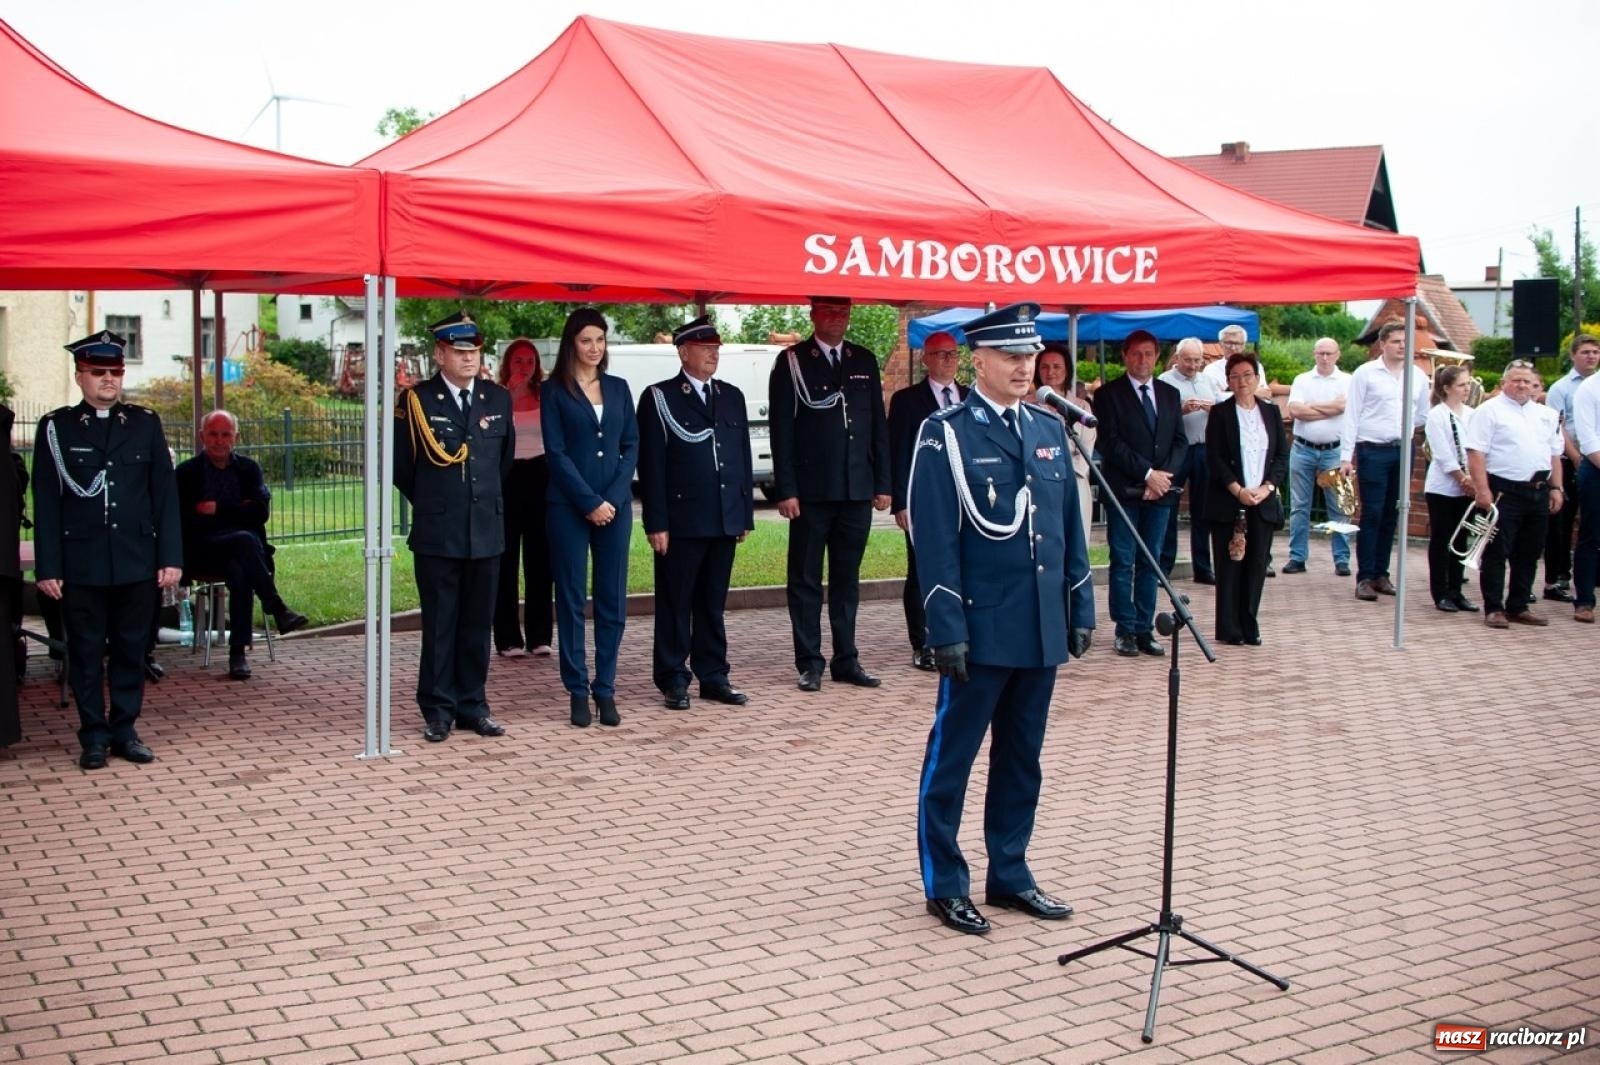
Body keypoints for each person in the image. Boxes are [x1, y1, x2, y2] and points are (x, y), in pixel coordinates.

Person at [907, 303, 1093, 936]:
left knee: (1022, 759)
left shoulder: (1047, 428)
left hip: (1039, 625)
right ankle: (945, 882)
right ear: (977, 361)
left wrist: (1080, 605)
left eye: (1028, 355)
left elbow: (1069, 527)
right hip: (980, 627)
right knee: (952, 759)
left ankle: (1009, 873)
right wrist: (945, 628)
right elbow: (934, 539)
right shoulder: (947, 432)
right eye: (1010, 356)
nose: (1023, 366)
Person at [31, 331, 182, 769]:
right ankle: (93, 734)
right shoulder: (56, 429)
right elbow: (46, 500)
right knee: (85, 651)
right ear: (79, 376)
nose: (109, 380)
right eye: (99, 372)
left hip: (135, 559)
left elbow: (164, 497)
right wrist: (49, 565)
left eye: (116, 371)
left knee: (133, 648)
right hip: (82, 562)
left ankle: (125, 729)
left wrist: (170, 557)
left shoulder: (144, 423)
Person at [393, 312, 513, 743]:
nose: (468, 359)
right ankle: (438, 708)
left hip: (485, 529)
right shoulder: (417, 401)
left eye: (474, 351)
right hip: (439, 532)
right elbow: (404, 467)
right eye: (459, 352)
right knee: (441, 623)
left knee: (478, 623)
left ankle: (473, 705)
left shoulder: (496, 399)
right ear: (439, 354)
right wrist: (438, 504)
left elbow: (502, 463)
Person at [768, 295, 891, 692]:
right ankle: (809, 662)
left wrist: (883, 483)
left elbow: (877, 426)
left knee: (846, 579)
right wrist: (786, 489)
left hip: (856, 488)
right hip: (811, 491)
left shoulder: (863, 360)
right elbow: (782, 431)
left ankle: (846, 659)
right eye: (829, 311)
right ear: (813, 315)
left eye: (843, 312)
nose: (836, 319)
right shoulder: (793, 361)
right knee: (805, 578)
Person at [637, 315, 754, 710]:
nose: (712, 354)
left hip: (723, 516)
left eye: (716, 348)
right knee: (676, 601)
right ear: (684, 352)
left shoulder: (731, 395)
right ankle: (672, 676)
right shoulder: (661, 397)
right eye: (705, 348)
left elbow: (741, 459)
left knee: (712, 601)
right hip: (682, 520)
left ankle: (713, 674)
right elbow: (651, 465)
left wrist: (744, 514)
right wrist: (657, 521)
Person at [542, 307, 638, 728]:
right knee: (571, 597)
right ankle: (577, 690)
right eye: (586, 340)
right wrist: (588, 501)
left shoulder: (618, 388)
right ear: (571, 344)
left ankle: (606, 688)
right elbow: (556, 453)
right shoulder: (554, 391)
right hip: (569, 507)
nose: (595, 348)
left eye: (600, 339)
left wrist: (613, 499)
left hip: (614, 508)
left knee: (612, 598)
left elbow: (631, 446)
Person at [175, 410, 309, 680]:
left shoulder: (249, 469)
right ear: (202, 436)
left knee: (240, 568)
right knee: (245, 540)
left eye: (226, 434)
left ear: (235, 437)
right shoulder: (187, 473)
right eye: (213, 434)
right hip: (202, 550)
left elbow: (260, 512)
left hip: (245, 555)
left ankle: (238, 654)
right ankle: (276, 608)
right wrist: (239, 510)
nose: (219, 440)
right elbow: (187, 519)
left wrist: (217, 509)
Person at [1092, 329, 1187, 658]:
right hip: (1125, 490)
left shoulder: (1170, 394)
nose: (1142, 360)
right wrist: (1147, 474)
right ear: (1125, 356)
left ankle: (1145, 627)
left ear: (1158, 357)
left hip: (1161, 493)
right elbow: (1111, 443)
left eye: (1148, 354)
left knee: (1152, 562)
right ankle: (1126, 629)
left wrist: (1161, 478)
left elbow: (1179, 441)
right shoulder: (1108, 395)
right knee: (1123, 562)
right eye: (1136, 354)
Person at [1463, 360, 1563, 629]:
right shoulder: (1488, 411)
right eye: (1516, 380)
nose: (1522, 385)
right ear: (1504, 382)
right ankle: (1494, 608)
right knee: (1497, 551)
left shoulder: (1547, 414)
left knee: (1529, 552)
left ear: (1534, 385)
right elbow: (1475, 453)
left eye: (1527, 381)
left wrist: (1556, 487)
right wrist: (1482, 490)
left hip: (1538, 490)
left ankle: (1518, 605)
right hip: (1504, 490)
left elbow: (1554, 454)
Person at [889, 331, 966, 671]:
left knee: (963, 565)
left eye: (952, 354)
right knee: (921, 570)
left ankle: (958, 634)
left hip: (965, 499)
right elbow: (899, 452)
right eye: (940, 355)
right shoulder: (907, 400)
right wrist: (901, 503)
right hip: (921, 498)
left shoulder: (970, 396)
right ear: (925, 360)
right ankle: (922, 643)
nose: (948, 360)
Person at [1339, 322, 1431, 601]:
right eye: (1396, 341)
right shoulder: (1366, 373)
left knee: (1394, 512)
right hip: (1373, 450)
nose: (1402, 346)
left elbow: (1422, 415)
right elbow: (1352, 414)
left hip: (1403, 449)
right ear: (1382, 344)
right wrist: (1346, 455)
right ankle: (1365, 576)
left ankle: (1382, 573)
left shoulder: (1417, 376)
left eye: (1406, 341)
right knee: (1373, 513)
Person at [1205, 353, 1288, 645]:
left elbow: (1280, 456)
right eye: (1235, 376)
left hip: (1262, 499)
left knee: (1256, 565)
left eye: (1247, 375)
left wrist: (1267, 488)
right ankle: (1229, 628)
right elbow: (1214, 457)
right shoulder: (1220, 413)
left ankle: (1249, 623)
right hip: (1231, 499)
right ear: (1228, 380)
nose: (1242, 381)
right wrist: (1238, 489)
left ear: (1257, 378)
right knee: (1230, 565)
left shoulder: (1270, 412)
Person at [492, 337, 555, 659]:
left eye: (530, 361)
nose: (525, 367)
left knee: (540, 559)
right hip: (507, 477)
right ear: (507, 363)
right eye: (518, 361)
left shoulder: (546, 394)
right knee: (505, 560)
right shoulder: (497, 395)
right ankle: (507, 638)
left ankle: (540, 635)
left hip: (541, 476)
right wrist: (510, 396)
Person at [1283, 337, 1352, 577]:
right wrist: (1330, 407)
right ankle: (1297, 557)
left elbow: (1344, 407)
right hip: (1303, 448)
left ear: (1337, 355)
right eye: (1320, 353)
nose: (1324, 358)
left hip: (1335, 450)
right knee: (1299, 506)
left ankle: (1342, 559)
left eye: (1329, 353)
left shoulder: (1347, 381)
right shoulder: (1302, 379)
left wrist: (1311, 407)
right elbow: (1295, 411)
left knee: (1339, 507)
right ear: (1314, 354)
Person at [1540, 334, 1600, 603]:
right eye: (1586, 352)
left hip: (1586, 458)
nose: (1591, 356)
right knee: (1565, 524)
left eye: (1595, 352)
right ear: (1573, 355)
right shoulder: (1563, 388)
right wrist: (1576, 458)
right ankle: (1559, 579)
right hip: (1571, 459)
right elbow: (1558, 427)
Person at [1158, 337, 1221, 584]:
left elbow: (1221, 408)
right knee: (1168, 508)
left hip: (1203, 449)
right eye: (1188, 360)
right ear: (1177, 358)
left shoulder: (1208, 380)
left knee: (1203, 511)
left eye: (1197, 360)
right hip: (1177, 451)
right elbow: (1160, 416)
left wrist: (1210, 408)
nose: (1193, 365)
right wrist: (1180, 410)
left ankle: (1203, 567)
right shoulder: (1165, 381)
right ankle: (1164, 566)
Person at [1422, 367, 1480, 613]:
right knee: (1442, 540)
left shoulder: (1472, 414)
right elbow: (1443, 454)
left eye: (1468, 385)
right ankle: (1441, 593)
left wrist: (1474, 479)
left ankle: (1456, 591)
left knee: (1461, 540)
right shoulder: (1437, 415)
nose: (1467, 389)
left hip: (1467, 487)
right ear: (1446, 388)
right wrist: (1462, 477)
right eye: (1461, 385)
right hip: (1443, 488)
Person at [1035, 342, 1096, 544]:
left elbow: (1085, 450)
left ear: (1067, 370)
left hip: (1075, 483)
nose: (1050, 372)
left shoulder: (1081, 407)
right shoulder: (1026, 406)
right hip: (1038, 484)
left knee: (1076, 544)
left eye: (1057, 366)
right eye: (1044, 366)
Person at [1568, 344, 1600, 623]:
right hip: (1597, 468)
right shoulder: (1590, 389)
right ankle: (1585, 600)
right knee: (1591, 535)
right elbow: (1588, 439)